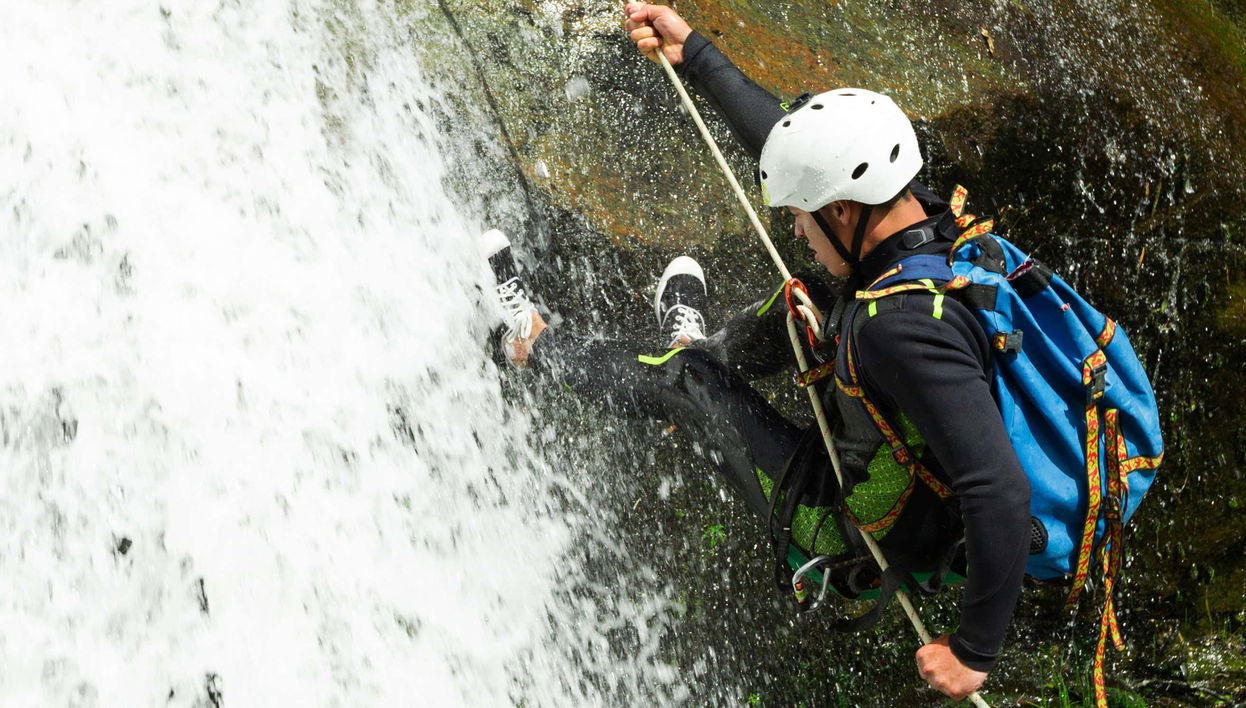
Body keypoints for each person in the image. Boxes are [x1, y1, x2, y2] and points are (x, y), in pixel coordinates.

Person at [480, 3, 1033, 700]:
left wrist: (975, 649)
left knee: (691, 381)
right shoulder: (916, 222)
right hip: (899, 467)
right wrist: (694, 56)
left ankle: (530, 344)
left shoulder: (905, 330)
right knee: (806, 298)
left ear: (841, 210)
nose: (796, 229)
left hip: (850, 526)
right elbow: (798, 149)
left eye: (802, 215)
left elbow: (1000, 489)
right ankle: (696, 339)